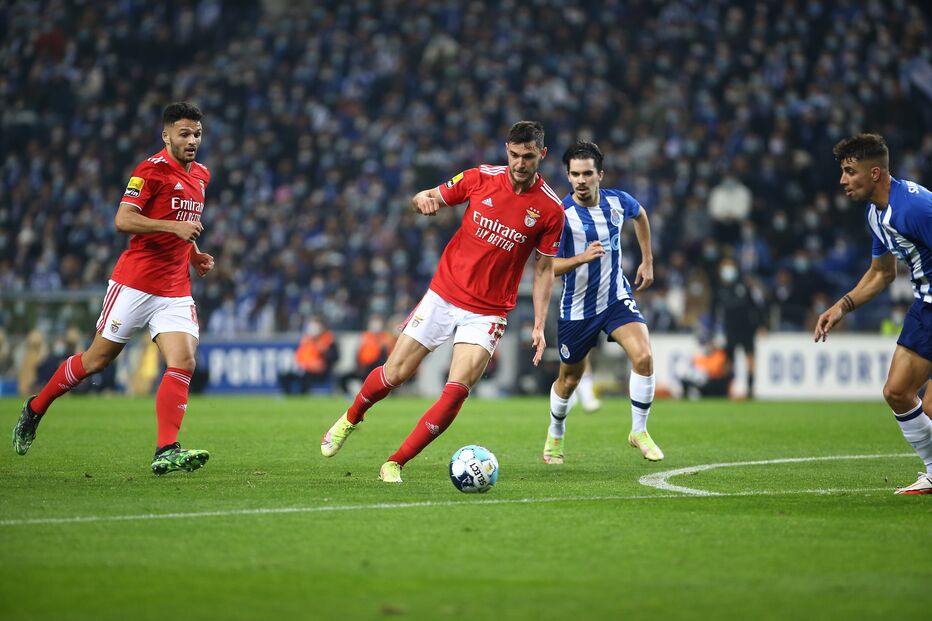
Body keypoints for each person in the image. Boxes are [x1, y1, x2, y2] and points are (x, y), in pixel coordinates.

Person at [320, 121, 564, 483]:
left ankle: (395, 462)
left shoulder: (550, 210)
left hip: (488, 312)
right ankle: (351, 418)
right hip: (444, 295)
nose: (520, 163)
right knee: (395, 373)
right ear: (506, 150)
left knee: (454, 393)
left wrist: (541, 324)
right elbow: (427, 195)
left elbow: (544, 270)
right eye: (514, 155)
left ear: (542, 155)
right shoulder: (479, 178)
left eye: (528, 156)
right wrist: (423, 202)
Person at [12, 102, 215, 476]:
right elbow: (123, 219)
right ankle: (35, 408)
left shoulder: (201, 175)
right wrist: (175, 231)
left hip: (175, 288)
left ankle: (166, 449)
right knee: (96, 361)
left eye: (197, 134)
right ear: (166, 135)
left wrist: (195, 255)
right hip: (135, 284)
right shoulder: (149, 172)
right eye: (184, 133)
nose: (192, 141)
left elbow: (184, 223)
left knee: (183, 361)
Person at [814, 133, 932, 495]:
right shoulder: (876, 214)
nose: (842, 180)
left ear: (876, 173)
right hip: (925, 307)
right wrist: (841, 306)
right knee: (897, 392)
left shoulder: (915, 208)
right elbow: (881, 273)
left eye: (850, 171)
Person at [543, 140, 663, 465]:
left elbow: (641, 216)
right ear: (568, 176)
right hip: (577, 308)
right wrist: (581, 258)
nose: (580, 181)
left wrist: (647, 261)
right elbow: (548, 268)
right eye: (574, 174)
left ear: (600, 175)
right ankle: (556, 431)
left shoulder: (618, 201)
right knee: (569, 380)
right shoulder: (561, 216)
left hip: (615, 298)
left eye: (587, 174)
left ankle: (639, 431)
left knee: (644, 357)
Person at [712, 256, 765, 398]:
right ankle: (725, 389)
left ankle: (750, 390)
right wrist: (712, 330)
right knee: (728, 361)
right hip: (730, 329)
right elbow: (713, 311)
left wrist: (761, 325)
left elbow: (757, 307)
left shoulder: (744, 285)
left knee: (750, 359)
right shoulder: (719, 289)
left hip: (747, 328)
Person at [339, 314, 395, 397]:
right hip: (363, 369)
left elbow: (387, 356)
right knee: (343, 378)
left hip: (379, 370)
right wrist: (359, 366)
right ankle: (348, 396)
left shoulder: (386, 337)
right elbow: (358, 353)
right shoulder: (365, 336)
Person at [279, 316, 339, 394]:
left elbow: (335, 357)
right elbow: (299, 355)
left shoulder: (329, 340)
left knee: (305, 377)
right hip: (304, 368)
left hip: (319, 371)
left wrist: (324, 352)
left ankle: (302, 394)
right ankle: (289, 396)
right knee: (284, 374)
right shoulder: (306, 339)